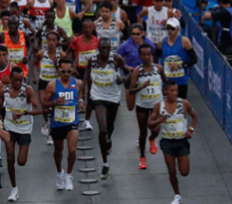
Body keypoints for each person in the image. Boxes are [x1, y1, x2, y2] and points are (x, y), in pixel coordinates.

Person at [0, 67, 43, 202]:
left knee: (21, 162)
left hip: (24, 129)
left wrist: (25, 112)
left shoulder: (27, 90)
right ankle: (14, 188)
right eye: (16, 80)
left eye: (20, 80)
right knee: (10, 156)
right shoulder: (4, 91)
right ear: (11, 79)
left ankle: (23, 150)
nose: (18, 83)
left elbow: (40, 109)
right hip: (9, 127)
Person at [148, 81, 199, 204]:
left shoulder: (184, 103)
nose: (174, 93)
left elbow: (195, 117)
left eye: (176, 90)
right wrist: (160, 120)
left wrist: (191, 131)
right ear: (165, 91)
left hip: (182, 141)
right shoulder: (159, 106)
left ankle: (178, 194)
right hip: (167, 142)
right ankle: (177, 195)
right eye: (171, 90)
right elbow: (150, 123)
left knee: (184, 172)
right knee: (171, 171)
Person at [85, 39, 127, 180]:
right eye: (102, 48)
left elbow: (129, 73)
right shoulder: (92, 61)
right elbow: (86, 78)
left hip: (113, 97)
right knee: (102, 129)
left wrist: (122, 80)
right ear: (98, 48)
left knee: (109, 127)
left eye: (107, 48)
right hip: (98, 96)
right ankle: (105, 163)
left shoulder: (117, 60)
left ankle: (108, 139)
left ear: (110, 48)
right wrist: (83, 95)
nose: (104, 51)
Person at [41, 58, 84, 191]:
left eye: (69, 71)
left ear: (72, 71)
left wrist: (80, 102)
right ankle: (59, 172)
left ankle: (69, 175)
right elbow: (44, 103)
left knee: (72, 150)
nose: (66, 74)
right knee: (58, 150)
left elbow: (80, 94)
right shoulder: (52, 85)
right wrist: (55, 102)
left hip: (72, 121)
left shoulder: (78, 83)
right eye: (63, 71)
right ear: (58, 70)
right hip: (57, 123)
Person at [129, 44, 166, 170]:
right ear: (140, 56)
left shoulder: (159, 68)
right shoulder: (137, 71)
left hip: (156, 104)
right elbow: (131, 90)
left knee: (156, 130)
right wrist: (142, 87)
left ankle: (152, 138)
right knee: (143, 131)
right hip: (142, 105)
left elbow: (165, 82)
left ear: (152, 55)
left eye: (148, 54)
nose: (146, 57)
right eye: (144, 54)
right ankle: (142, 157)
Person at [34, 30, 64, 145]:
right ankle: (46, 121)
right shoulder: (41, 53)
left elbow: (64, 73)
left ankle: (51, 133)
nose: (51, 42)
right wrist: (36, 76)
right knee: (45, 107)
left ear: (57, 42)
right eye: (49, 40)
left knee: (55, 108)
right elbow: (34, 65)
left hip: (55, 84)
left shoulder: (61, 55)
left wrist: (57, 64)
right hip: (43, 82)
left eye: (53, 40)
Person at [158, 18, 197, 99]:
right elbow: (155, 56)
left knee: (180, 104)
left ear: (178, 29)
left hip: (181, 80)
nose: (170, 31)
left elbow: (194, 59)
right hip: (166, 80)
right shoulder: (161, 42)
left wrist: (180, 66)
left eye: (172, 28)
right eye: (168, 28)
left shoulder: (185, 41)